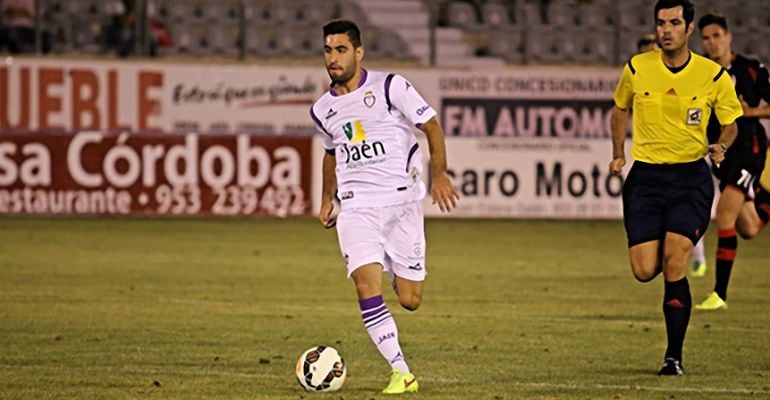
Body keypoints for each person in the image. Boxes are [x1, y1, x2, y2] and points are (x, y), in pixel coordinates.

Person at [310, 19, 458, 394]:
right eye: (328, 50)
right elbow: (331, 153)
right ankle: (401, 372)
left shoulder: (391, 86)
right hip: (357, 209)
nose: (333, 58)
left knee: (410, 300)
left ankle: (391, 263)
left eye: (341, 50)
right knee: (365, 285)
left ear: (359, 52)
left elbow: (432, 126)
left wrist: (439, 174)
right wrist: (328, 197)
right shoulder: (323, 108)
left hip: (402, 205)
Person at [609, 0, 743, 376]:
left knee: (674, 259)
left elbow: (731, 122)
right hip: (646, 180)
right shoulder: (637, 67)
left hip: (690, 179)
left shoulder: (712, 75)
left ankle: (673, 357)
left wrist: (722, 145)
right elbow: (620, 109)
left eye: (674, 22)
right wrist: (618, 152)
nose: (666, 29)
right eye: (661, 23)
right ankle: (673, 345)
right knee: (643, 268)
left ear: (688, 28)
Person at [694, 13, 770, 311]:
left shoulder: (750, 69)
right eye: (706, 38)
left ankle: (719, 295)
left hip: (748, 150)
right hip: (721, 152)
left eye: (716, 36)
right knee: (748, 227)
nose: (711, 43)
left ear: (728, 36)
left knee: (724, 214)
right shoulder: (702, 72)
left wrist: (749, 113)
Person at [635, 32, 709, 277]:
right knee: (645, 266)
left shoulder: (686, 79)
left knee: (692, 214)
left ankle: (697, 256)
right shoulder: (638, 79)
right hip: (652, 164)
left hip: (691, 161)